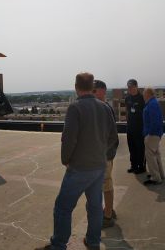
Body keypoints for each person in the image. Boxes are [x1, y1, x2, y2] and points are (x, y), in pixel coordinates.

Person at [42, 73, 118, 250]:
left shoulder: (75, 108)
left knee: (63, 207)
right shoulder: (105, 107)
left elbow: (69, 139)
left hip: (80, 168)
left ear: (76, 87)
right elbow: (113, 137)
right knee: (94, 207)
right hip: (99, 167)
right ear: (92, 87)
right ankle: (92, 242)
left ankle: (59, 245)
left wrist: (66, 160)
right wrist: (103, 155)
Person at [93, 80, 119, 228]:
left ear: (101, 91)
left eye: (94, 91)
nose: (92, 94)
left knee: (106, 184)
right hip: (105, 155)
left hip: (104, 156)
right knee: (105, 184)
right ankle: (109, 210)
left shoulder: (103, 108)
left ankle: (108, 216)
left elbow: (111, 136)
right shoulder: (104, 107)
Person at [142, 87, 164, 185]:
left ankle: (155, 177)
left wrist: (149, 133)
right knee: (156, 155)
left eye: (144, 93)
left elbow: (155, 121)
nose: (143, 94)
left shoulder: (152, 104)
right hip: (156, 134)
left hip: (152, 134)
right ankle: (160, 174)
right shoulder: (153, 103)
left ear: (148, 94)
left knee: (150, 156)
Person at [125, 79, 146, 174]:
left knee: (140, 148)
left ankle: (141, 167)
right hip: (130, 127)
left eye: (132, 87)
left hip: (139, 128)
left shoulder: (142, 98)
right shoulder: (127, 98)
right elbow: (128, 111)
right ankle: (133, 165)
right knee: (131, 147)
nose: (130, 89)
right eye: (128, 87)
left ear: (136, 86)